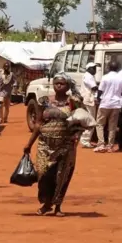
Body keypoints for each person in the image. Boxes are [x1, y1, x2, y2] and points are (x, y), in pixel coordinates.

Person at [23, 73, 84, 217]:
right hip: (45, 144)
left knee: (62, 175)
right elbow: (38, 123)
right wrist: (29, 144)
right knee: (43, 173)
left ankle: (56, 206)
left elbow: (82, 121)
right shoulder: (44, 101)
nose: (58, 85)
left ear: (68, 86)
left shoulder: (73, 102)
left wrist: (76, 136)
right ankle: (47, 201)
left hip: (66, 145)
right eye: (56, 83)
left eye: (62, 83)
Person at [94, 60, 122, 153]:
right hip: (116, 104)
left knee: (99, 124)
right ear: (118, 68)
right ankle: (110, 146)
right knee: (113, 126)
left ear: (108, 68)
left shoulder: (105, 77)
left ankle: (101, 144)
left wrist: (99, 99)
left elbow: (100, 90)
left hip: (105, 103)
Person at [79, 62, 99, 148]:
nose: (95, 70)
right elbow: (94, 87)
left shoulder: (88, 75)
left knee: (88, 120)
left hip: (87, 99)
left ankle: (85, 139)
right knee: (90, 120)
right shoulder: (88, 76)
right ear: (89, 68)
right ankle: (85, 140)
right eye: (93, 68)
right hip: (88, 100)